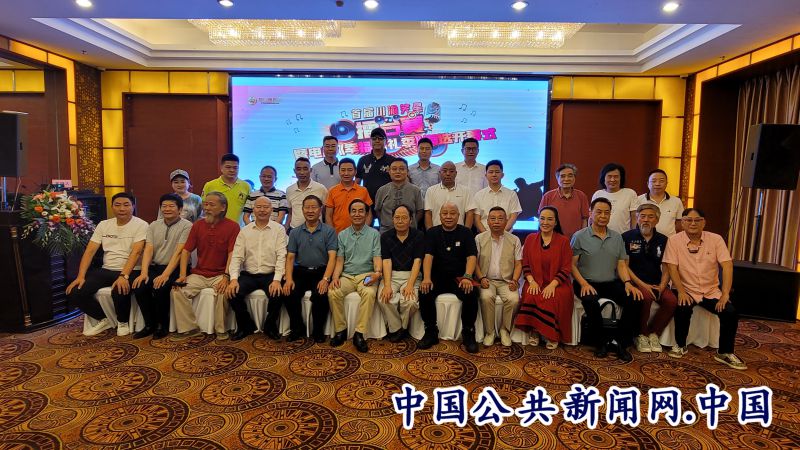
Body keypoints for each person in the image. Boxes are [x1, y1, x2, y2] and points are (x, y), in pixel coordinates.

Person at [663, 208, 746, 370]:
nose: (693, 223)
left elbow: (727, 266)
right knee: (683, 308)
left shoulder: (716, 239)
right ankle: (680, 345)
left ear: (704, 222)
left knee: (730, 312)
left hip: (710, 291)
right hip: (686, 288)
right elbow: (672, 267)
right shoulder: (674, 240)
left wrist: (725, 294)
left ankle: (725, 352)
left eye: (697, 220)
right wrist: (681, 291)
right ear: (682, 223)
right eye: (688, 220)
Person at [571, 197, 643, 361]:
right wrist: (583, 283)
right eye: (599, 212)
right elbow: (571, 265)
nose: (603, 216)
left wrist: (628, 283)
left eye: (606, 213)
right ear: (590, 213)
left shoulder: (617, 237)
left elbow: (621, 264)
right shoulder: (580, 236)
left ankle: (620, 342)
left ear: (610, 215)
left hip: (610, 282)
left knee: (635, 299)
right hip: (585, 282)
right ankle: (600, 343)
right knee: (590, 301)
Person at [67, 192, 148, 337]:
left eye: (126, 205)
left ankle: (123, 322)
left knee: (119, 289)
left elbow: (136, 252)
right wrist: (80, 276)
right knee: (75, 291)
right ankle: (103, 319)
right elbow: (90, 251)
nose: (122, 208)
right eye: (117, 205)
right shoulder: (104, 225)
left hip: (131, 269)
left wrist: (124, 275)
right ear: (112, 207)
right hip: (106, 269)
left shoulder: (141, 225)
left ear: (133, 206)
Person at [172, 192, 240, 339]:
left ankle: (221, 330)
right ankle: (189, 328)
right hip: (199, 273)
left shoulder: (233, 226)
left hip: (220, 274)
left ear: (223, 207)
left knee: (223, 291)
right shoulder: (198, 225)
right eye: (205, 204)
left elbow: (232, 254)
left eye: (211, 205)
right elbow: (186, 251)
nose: (207, 208)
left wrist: (226, 276)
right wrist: (182, 275)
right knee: (177, 289)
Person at [418, 202, 480, 353]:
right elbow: (428, 256)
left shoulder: (466, 232)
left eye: (452, 213)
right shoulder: (432, 232)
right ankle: (431, 331)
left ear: (458, 216)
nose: (448, 216)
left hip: (460, 277)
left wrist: (467, 276)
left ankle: (468, 332)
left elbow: (472, 257)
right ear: (439, 216)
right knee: (424, 290)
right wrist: (426, 278)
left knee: (472, 292)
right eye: (445, 213)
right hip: (437, 276)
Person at [225, 197, 288, 342]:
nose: (262, 210)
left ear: (272, 210)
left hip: (270, 274)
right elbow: (237, 257)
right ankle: (245, 325)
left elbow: (282, 256)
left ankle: (270, 326)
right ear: (253, 209)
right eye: (258, 207)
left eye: (266, 207)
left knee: (278, 293)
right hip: (249, 275)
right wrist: (233, 279)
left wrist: (277, 280)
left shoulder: (279, 229)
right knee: (233, 293)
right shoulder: (245, 231)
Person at [132, 193, 192, 339]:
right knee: (140, 287)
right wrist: (144, 272)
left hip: (176, 268)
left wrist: (165, 275)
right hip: (156, 267)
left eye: (171, 206)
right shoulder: (153, 225)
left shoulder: (187, 226)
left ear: (180, 209)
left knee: (160, 288)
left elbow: (179, 253)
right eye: (164, 206)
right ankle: (149, 325)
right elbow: (148, 249)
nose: (167, 209)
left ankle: (162, 326)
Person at [515, 207, 574, 349]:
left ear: (556, 222)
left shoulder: (563, 241)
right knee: (531, 294)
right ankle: (535, 331)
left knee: (551, 297)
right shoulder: (530, 239)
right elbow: (525, 264)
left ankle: (551, 335)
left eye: (549, 219)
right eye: (542, 218)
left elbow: (566, 268)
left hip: (558, 283)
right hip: (534, 280)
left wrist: (552, 285)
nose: (545, 222)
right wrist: (531, 281)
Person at [327, 199, 382, 353]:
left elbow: (377, 257)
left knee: (369, 293)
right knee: (333, 292)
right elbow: (339, 260)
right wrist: (335, 277)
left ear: (367, 214)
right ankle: (340, 330)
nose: (357, 214)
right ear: (349, 214)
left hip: (366, 274)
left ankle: (359, 333)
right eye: (354, 211)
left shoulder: (374, 234)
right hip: (347, 276)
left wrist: (377, 273)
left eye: (361, 211)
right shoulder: (342, 235)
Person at [623, 204, 678, 353]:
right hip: (635, 281)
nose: (646, 220)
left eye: (650, 217)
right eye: (642, 216)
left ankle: (654, 333)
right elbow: (624, 266)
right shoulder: (627, 237)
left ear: (657, 220)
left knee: (671, 301)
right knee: (645, 297)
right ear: (637, 218)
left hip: (656, 282)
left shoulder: (663, 240)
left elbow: (666, 267)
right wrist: (642, 285)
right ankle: (641, 335)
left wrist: (662, 286)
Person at [283, 195, 338, 343]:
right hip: (300, 271)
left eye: (314, 207)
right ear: (302, 210)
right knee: (289, 292)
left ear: (320, 210)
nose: (310, 210)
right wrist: (289, 279)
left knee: (321, 294)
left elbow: (332, 257)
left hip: (321, 271)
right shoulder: (295, 232)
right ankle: (297, 328)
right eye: (307, 207)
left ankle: (318, 331)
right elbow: (290, 258)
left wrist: (326, 279)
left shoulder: (329, 231)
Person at [474, 207, 522, 347]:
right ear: (487, 221)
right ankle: (489, 332)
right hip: (486, 280)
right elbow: (474, 262)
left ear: (506, 221)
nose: (496, 222)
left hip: (506, 281)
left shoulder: (514, 240)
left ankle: (504, 330)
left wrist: (515, 280)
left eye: (500, 219)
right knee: (486, 297)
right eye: (493, 218)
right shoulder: (479, 238)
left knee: (514, 299)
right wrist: (481, 278)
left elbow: (519, 264)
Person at [378, 205, 425, 343]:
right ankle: (397, 328)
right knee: (384, 298)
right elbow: (386, 261)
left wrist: (410, 284)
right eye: (397, 217)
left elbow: (418, 261)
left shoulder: (418, 235)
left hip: (412, 275)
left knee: (410, 302)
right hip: (391, 275)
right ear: (392, 219)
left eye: (404, 217)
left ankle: (402, 327)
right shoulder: (385, 236)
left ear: (411, 220)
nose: (400, 221)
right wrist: (387, 285)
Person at [539, 163, 590, 238]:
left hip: (575, 240)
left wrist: (582, 238)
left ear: (574, 178)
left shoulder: (581, 196)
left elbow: (584, 220)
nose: (566, 179)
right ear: (557, 179)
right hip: (553, 239)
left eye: (570, 176)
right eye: (562, 176)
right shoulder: (548, 196)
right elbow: (541, 219)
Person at [374, 158, 424, 233]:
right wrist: (385, 223)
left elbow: (420, 210)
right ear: (389, 171)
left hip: (410, 232)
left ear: (407, 171)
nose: (398, 172)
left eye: (402, 169)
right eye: (394, 169)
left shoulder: (416, 190)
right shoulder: (382, 190)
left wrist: (412, 223)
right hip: (386, 231)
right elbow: (378, 210)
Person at [473, 160, 522, 233]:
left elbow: (513, 217)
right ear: (486, 175)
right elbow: (476, 220)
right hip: (484, 236)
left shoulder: (511, 194)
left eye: (497, 172)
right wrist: (487, 236)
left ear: (502, 175)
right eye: (491, 172)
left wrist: (502, 233)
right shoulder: (479, 195)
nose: (494, 175)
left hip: (506, 236)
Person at [324, 158, 373, 233]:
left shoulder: (363, 190)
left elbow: (369, 214)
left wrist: (363, 232)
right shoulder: (332, 191)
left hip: (360, 235)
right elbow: (328, 216)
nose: (346, 173)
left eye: (350, 170)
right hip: (338, 234)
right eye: (343, 170)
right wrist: (332, 234)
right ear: (339, 171)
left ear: (355, 172)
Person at [201, 154, 251, 225]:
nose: (232, 170)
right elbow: (204, 206)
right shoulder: (210, 185)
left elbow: (249, 210)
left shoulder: (246, 186)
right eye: (228, 167)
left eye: (235, 168)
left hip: (238, 228)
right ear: (221, 168)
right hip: (215, 226)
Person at [424, 161, 475, 230]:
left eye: (451, 171)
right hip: (436, 232)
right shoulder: (431, 190)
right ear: (439, 173)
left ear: (456, 173)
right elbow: (428, 214)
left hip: (459, 232)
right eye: (444, 171)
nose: (448, 174)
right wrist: (430, 233)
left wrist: (466, 232)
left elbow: (470, 214)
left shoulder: (466, 191)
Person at [634, 169, 684, 236]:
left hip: (669, 240)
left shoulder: (676, 201)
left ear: (666, 183)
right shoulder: (638, 200)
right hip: (644, 239)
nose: (657, 184)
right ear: (648, 184)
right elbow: (634, 221)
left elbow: (679, 225)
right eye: (654, 181)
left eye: (661, 181)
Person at [591, 163, 638, 234]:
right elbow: (592, 217)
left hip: (623, 236)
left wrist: (634, 235)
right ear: (603, 178)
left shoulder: (630, 193)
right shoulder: (598, 194)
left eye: (616, 177)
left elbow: (634, 218)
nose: (612, 180)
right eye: (609, 176)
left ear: (621, 178)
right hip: (599, 236)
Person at [356, 127, 396, 207]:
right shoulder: (362, 160)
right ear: (370, 141)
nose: (377, 141)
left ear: (386, 141)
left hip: (387, 203)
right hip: (367, 202)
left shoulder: (393, 161)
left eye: (380, 138)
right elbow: (357, 182)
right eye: (374, 139)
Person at [285, 157, 328, 231]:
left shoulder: (321, 188)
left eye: (305, 169)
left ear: (310, 170)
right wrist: (286, 227)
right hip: (295, 230)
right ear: (294, 171)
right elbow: (290, 212)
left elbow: (325, 211)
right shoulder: (289, 190)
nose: (302, 172)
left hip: (317, 231)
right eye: (298, 169)